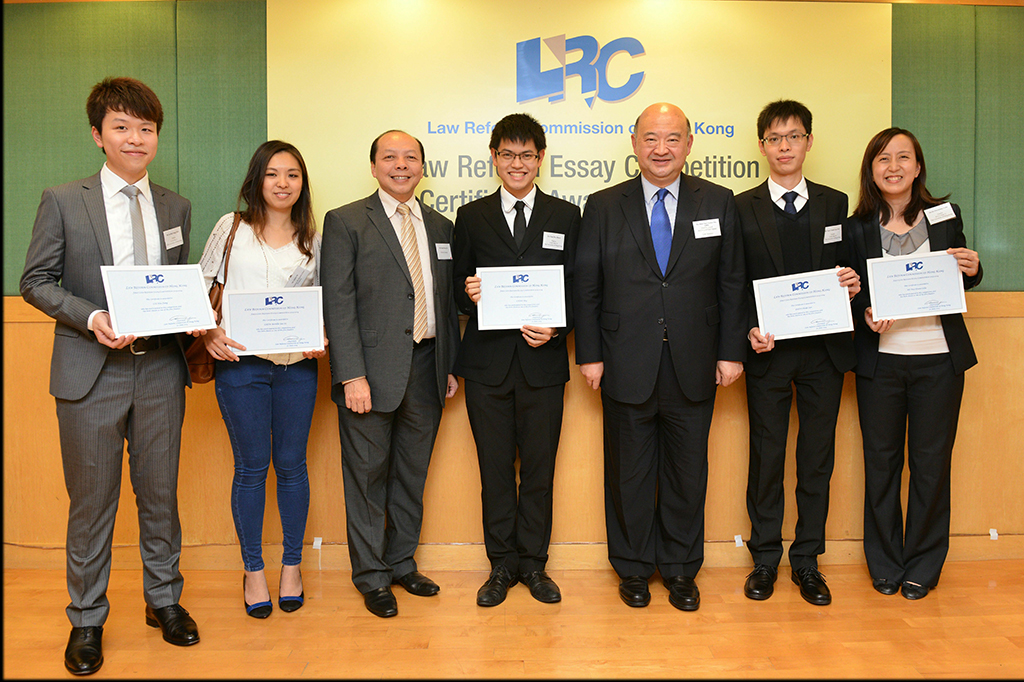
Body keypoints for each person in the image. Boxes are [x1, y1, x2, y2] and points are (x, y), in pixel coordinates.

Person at [20, 77, 200, 676]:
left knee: (160, 495)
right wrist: (92, 316)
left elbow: (178, 288)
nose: (136, 138)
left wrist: (197, 318)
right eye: (122, 127)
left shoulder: (175, 206)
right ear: (98, 135)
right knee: (92, 503)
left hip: (159, 371)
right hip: (90, 373)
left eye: (146, 129)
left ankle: (164, 601)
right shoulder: (63, 199)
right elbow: (36, 282)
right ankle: (87, 618)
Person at [573, 102, 747, 611]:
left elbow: (732, 280)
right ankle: (631, 568)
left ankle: (679, 568)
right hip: (624, 359)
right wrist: (590, 354)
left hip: (696, 360)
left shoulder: (718, 201)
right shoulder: (603, 205)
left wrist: (731, 351)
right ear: (634, 143)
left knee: (687, 474)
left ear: (690, 144)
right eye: (651, 138)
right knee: (628, 472)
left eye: (672, 138)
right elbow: (587, 284)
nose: (661, 149)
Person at [321, 130, 460, 618]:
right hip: (370, 373)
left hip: (428, 368)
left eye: (411, 158)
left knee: (410, 475)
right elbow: (336, 304)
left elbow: (444, 302)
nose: (401, 166)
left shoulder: (441, 226)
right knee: (365, 477)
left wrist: (449, 365)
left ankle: (402, 562)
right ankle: (371, 575)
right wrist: (350, 375)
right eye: (390, 158)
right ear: (374, 165)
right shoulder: (346, 221)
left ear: (422, 166)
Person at [846, 128, 982, 600]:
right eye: (883, 158)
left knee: (930, 466)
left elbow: (962, 278)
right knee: (881, 464)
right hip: (881, 365)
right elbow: (852, 294)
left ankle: (924, 564)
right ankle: (884, 563)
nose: (894, 166)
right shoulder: (855, 226)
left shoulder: (946, 217)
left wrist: (973, 267)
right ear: (872, 169)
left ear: (918, 167)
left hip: (939, 361)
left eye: (904, 157)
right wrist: (864, 314)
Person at [452, 113, 581, 607]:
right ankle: (501, 566)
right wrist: (470, 293)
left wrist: (558, 326)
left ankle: (535, 565)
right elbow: (459, 292)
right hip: (487, 367)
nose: (517, 164)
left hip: (543, 365)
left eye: (527, 155)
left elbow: (577, 289)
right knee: (495, 471)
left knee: (541, 472)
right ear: (493, 158)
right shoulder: (472, 216)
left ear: (541, 159)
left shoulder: (566, 216)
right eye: (507, 154)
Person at [736, 100, 860, 606]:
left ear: (809, 141)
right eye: (774, 138)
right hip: (768, 352)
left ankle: (807, 560)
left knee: (816, 459)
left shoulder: (835, 202)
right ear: (762, 145)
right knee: (765, 458)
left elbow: (847, 267)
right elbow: (734, 282)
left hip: (824, 354)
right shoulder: (740, 206)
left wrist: (852, 282)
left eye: (793, 136)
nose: (784, 146)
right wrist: (749, 328)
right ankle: (765, 558)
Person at [197, 140, 325, 619]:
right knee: (251, 468)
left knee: (292, 467)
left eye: (293, 174)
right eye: (273, 174)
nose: (283, 183)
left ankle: (291, 566)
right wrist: (208, 330)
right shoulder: (231, 229)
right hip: (242, 368)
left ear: (302, 184)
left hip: (297, 367)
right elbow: (201, 287)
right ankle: (253, 570)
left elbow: (324, 301)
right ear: (257, 179)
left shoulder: (315, 237)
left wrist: (321, 334)